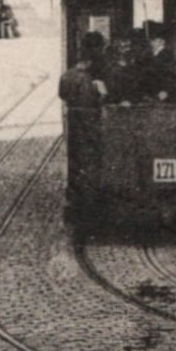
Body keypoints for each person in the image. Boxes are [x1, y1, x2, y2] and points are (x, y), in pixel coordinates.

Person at [59, 33, 109, 220]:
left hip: (73, 124)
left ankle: (77, 196)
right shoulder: (86, 80)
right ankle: (90, 205)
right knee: (90, 162)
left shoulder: (66, 76)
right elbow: (91, 105)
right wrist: (102, 96)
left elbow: (62, 95)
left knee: (77, 162)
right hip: (86, 126)